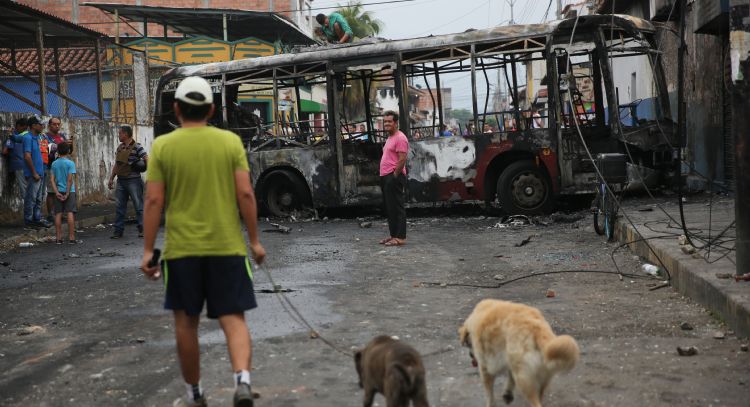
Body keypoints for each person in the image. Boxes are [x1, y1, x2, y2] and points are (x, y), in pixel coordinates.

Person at [140, 76, 266, 407]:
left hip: (181, 252)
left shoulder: (163, 147)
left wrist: (147, 251)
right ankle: (242, 380)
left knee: (186, 323)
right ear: (211, 110)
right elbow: (245, 193)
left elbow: (152, 202)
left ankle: (195, 394)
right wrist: (254, 241)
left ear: (177, 109)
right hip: (227, 248)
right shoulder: (229, 143)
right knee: (233, 318)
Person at [108, 125, 148, 239]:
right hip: (121, 180)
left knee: (138, 206)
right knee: (120, 207)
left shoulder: (137, 147)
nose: (118, 135)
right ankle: (118, 231)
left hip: (133, 180)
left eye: (120, 133)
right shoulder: (120, 148)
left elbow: (146, 158)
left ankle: (143, 229)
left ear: (125, 134)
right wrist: (111, 178)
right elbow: (117, 164)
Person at [378, 110, 408, 247]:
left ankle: (400, 237)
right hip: (386, 176)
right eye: (385, 122)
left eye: (389, 121)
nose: (387, 124)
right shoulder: (390, 137)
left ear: (396, 123)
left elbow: (402, 159)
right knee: (390, 208)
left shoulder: (400, 138)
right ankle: (393, 235)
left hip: (394, 176)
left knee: (397, 207)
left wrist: (394, 176)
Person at [22, 116, 51, 229]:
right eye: (40, 124)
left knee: (38, 198)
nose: (42, 126)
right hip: (34, 174)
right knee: (31, 197)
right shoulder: (28, 138)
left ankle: (36, 218)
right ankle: (29, 220)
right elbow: (27, 156)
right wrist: (34, 172)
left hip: (40, 172)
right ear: (33, 125)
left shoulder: (37, 137)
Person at [50, 142, 77, 244]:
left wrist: (56, 192)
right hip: (69, 191)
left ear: (58, 151)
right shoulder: (70, 163)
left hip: (58, 190)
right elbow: (69, 180)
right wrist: (67, 193)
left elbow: (52, 180)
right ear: (68, 151)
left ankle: (58, 238)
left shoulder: (54, 163)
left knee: (58, 213)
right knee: (70, 212)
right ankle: (71, 238)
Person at [45, 117, 68, 222]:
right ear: (49, 125)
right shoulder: (45, 137)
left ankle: (60, 212)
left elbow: (68, 151)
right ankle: (51, 214)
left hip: (62, 168)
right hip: (51, 167)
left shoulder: (62, 136)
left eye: (58, 124)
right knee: (51, 192)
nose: (57, 126)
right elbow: (45, 151)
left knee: (62, 190)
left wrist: (69, 145)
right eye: (54, 124)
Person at [2, 117, 28, 195]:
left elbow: (5, 151)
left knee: (25, 190)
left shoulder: (13, 137)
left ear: (18, 126)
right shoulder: (29, 136)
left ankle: (29, 207)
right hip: (30, 165)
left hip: (19, 165)